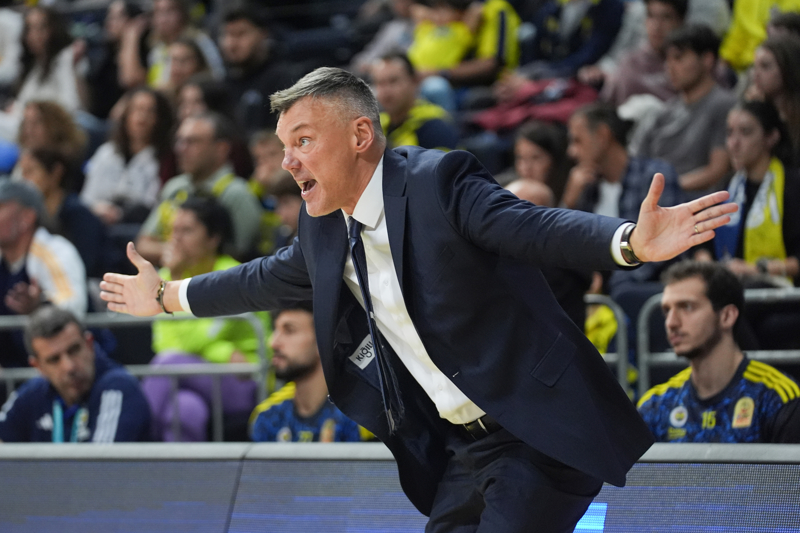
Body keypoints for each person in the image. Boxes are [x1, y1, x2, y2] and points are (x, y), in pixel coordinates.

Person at [100, 67, 737, 532]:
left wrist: (628, 242)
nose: (287, 161)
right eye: (284, 145)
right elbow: (262, 278)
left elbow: (533, 227)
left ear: (360, 134)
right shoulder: (322, 228)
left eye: (303, 141)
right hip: (463, 446)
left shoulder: (439, 181)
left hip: (536, 427)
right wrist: (166, 296)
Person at [142, 197, 266, 442]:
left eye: (187, 231)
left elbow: (188, 345)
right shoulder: (167, 276)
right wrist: (223, 351)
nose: (175, 239)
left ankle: (132, 447)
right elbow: (164, 343)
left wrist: (175, 277)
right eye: (173, 231)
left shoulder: (232, 277)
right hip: (192, 376)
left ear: (213, 238)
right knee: (185, 409)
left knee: (169, 363)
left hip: (243, 380)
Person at [637, 260, 800, 442]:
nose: (671, 323)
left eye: (687, 307)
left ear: (727, 316)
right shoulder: (656, 405)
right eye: (667, 310)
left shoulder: (776, 398)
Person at [0, 305, 151, 443]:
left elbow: (101, 461)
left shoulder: (118, 387)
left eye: (74, 350)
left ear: (89, 344)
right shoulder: (33, 392)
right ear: (38, 367)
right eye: (54, 359)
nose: (69, 367)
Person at [136, 112, 262, 265]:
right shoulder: (174, 187)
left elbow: (238, 256)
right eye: (180, 141)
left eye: (192, 142)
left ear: (221, 148)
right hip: (170, 275)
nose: (181, 149)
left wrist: (175, 252)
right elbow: (143, 245)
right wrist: (183, 251)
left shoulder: (237, 194)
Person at [635, 24, 736, 197]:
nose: (670, 67)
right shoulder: (664, 112)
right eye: (667, 59)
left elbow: (717, 171)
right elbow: (637, 162)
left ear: (707, 60)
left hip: (694, 205)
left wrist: (663, 189)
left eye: (679, 58)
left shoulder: (724, 106)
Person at [0, 180, 86, 369]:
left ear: (27, 217)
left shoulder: (55, 252)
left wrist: (39, 308)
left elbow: (73, 310)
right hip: (16, 370)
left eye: (1, 207)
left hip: (71, 370)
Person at [250, 303, 362, 443]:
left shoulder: (361, 420)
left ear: (323, 342)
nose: (273, 343)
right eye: (275, 330)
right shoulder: (267, 417)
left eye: (289, 331)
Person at [82, 87, 175, 226]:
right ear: (126, 115)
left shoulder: (165, 159)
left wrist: (121, 214)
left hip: (136, 225)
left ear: (160, 119)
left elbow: (155, 204)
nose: (141, 118)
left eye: (150, 111)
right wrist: (98, 209)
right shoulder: (106, 152)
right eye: (136, 110)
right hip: (97, 219)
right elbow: (87, 197)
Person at [0, 7, 87, 143]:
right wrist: (17, 109)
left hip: (50, 131)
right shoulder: (36, 63)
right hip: (25, 126)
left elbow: (71, 106)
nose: (33, 35)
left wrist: (27, 113)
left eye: (40, 28)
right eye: (29, 29)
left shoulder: (67, 56)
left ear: (53, 30)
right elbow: (24, 101)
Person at [19, 147, 109, 279]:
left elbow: (86, 265)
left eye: (31, 171)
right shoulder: (32, 216)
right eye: (23, 172)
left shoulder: (79, 214)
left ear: (56, 172)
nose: (24, 180)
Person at [219, 5, 300, 136]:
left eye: (240, 34)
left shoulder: (283, 80)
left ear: (263, 34)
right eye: (227, 35)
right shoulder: (223, 83)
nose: (231, 44)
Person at [373, 53, 459, 151]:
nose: (386, 91)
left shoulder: (436, 127)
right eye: (380, 83)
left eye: (393, 81)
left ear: (414, 81)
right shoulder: (376, 126)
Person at [750, 35, 800, 160]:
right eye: (754, 66)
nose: (756, 74)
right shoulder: (754, 108)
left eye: (765, 66)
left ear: (787, 69)